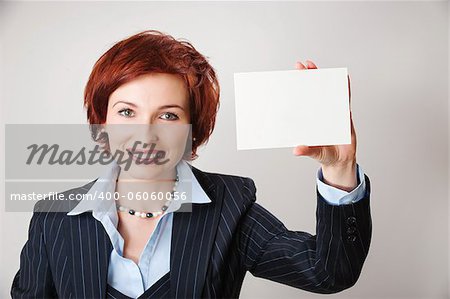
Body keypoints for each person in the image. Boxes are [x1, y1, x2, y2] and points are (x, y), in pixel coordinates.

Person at [11, 30, 372, 298]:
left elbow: (328, 272)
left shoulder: (231, 208)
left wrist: (340, 168)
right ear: (101, 122)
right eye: (126, 112)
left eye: (167, 115)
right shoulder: (52, 218)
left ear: (192, 131)